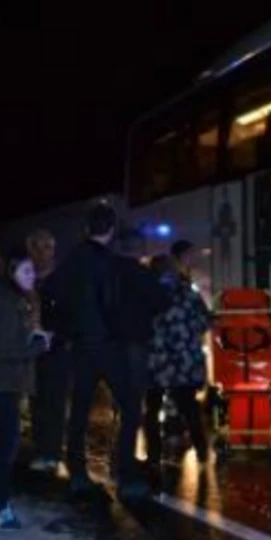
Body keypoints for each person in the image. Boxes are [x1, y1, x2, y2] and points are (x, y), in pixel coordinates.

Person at [55, 203, 167, 501]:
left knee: (79, 410)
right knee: (130, 408)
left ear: (85, 228)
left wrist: (66, 331)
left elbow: (53, 294)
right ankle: (126, 474)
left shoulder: (71, 261)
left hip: (81, 346)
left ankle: (77, 472)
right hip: (110, 345)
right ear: (112, 230)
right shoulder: (113, 264)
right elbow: (137, 301)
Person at [0, 254, 51, 529]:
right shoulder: (6, 302)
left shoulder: (12, 299)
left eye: (33, 269)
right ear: (11, 273)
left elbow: (9, 340)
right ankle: (0, 509)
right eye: (26, 270)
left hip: (5, 380)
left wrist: (36, 337)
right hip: (2, 382)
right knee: (6, 446)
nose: (33, 274)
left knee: (4, 445)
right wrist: (39, 346)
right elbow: (2, 347)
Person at [143, 253, 211, 468]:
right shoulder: (188, 293)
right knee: (190, 408)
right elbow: (204, 322)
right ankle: (202, 452)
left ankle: (153, 455)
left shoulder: (147, 293)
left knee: (152, 409)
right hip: (185, 362)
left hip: (156, 362)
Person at [26, 229, 68, 474]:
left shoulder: (62, 278)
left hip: (56, 348)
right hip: (32, 350)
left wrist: (57, 334)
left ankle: (51, 451)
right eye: (38, 247)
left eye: (48, 247)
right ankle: (42, 448)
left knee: (54, 400)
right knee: (36, 400)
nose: (43, 252)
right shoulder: (26, 278)